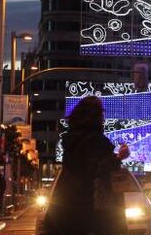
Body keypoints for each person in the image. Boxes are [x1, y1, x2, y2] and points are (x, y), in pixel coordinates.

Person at [44, 96, 130, 235]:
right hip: (92, 211)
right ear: (96, 116)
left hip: (66, 208)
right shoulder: (97, 142)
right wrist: (120, 156)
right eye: (102, 113)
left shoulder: (71, 142)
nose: (103, 118)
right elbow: (98, 170)